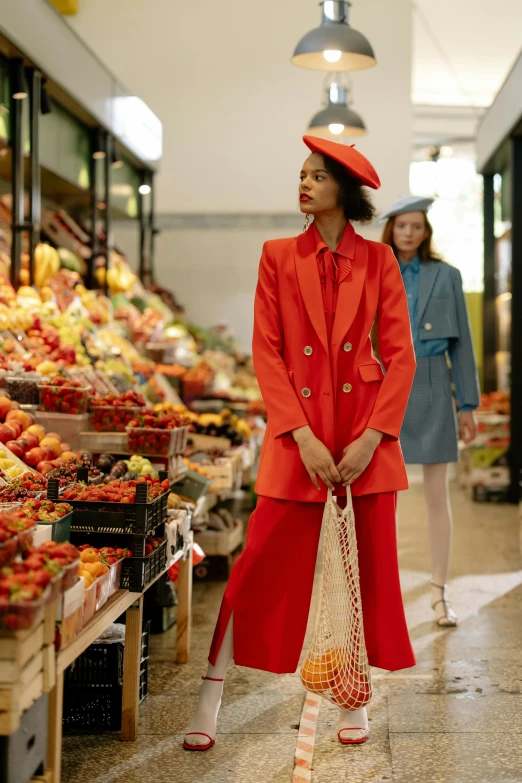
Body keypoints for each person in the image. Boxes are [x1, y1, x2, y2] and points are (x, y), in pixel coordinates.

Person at [184, 136, 416, 752]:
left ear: (344, 189)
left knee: (363, 572)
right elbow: (268, 352)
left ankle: (353, 695)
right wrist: (302, 436)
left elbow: (400, 358)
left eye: (318, 176)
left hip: (365, 438)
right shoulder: (277, 256)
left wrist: (372, 438)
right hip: (298, 438)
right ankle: (211, 694)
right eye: (302, 174)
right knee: (256, 567)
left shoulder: (380, 262)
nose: (304, 183)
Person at [380, 195, 480, 627]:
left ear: (425, 231)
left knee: (438, 495)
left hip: (436, 385)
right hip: (384, 387)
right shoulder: (373, 273)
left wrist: (468, 404)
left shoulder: (448, 275)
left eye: (416, 226)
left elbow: (463, 345)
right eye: (402, 225)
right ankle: (382, 596)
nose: (409, 232)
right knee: (383, 499)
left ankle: (440, 593)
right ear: (392, 229)